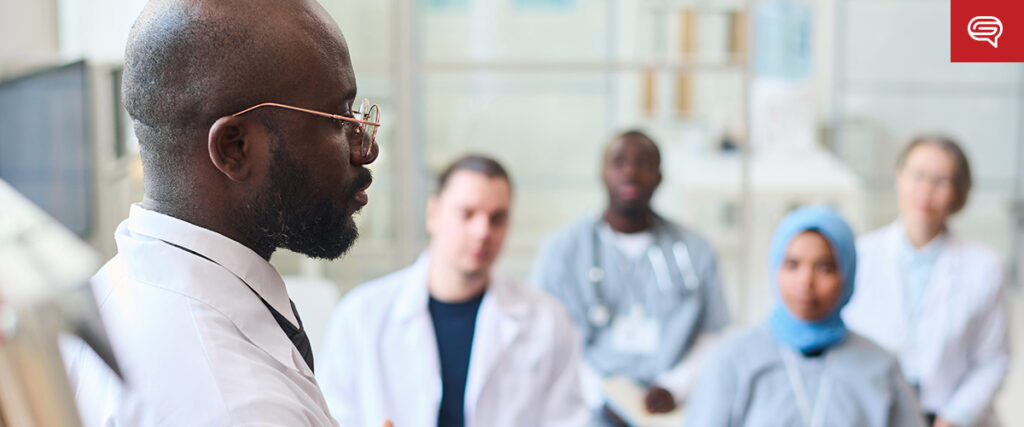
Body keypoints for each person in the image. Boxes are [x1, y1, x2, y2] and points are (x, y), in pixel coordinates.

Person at [60, 0, 382, 425]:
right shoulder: (238, 404)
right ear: (235, 148)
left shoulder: (113, 296)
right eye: (339, 118)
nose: (366, 148)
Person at [317, 155, 588, 427]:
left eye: (497, 218)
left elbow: (567, 419)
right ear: (433, 214)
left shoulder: (547, 320)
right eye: (467, 213)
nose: (482, 231)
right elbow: (333, 416)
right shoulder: (360, 316)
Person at [531, 130, 730, 419]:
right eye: (619, 161)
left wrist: (674, 387)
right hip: (584, 404)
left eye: (644, 163)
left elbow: (713, 335)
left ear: (660, 177)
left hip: (670, 408)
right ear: (601, 172)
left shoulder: (697, 251)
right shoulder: (562, 250)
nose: (631, 172)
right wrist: (600, 393)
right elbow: (544, 335)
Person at [684, 206, 925, 427]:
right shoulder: (734, 359)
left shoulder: (880, 366)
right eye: (792, 264)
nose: (806, 282)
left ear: (847, 274)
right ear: (775, 269)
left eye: (824, 268)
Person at [843, 136, 1010, 427]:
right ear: (898, 178)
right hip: (875, 413)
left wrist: (954, 418)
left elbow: (993, 362)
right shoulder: (861, 255)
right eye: (917, 176)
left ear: (959, 194)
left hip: (953, 416)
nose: (926, 190)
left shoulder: (985, 268)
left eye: (941, 181)